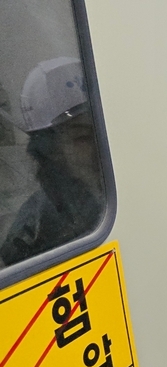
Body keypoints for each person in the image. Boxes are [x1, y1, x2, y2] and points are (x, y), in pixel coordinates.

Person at [1, 57, 104, 266]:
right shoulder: (34, 231)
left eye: (101, 130)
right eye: (82, 137)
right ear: (52, 151)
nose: (98, 144)